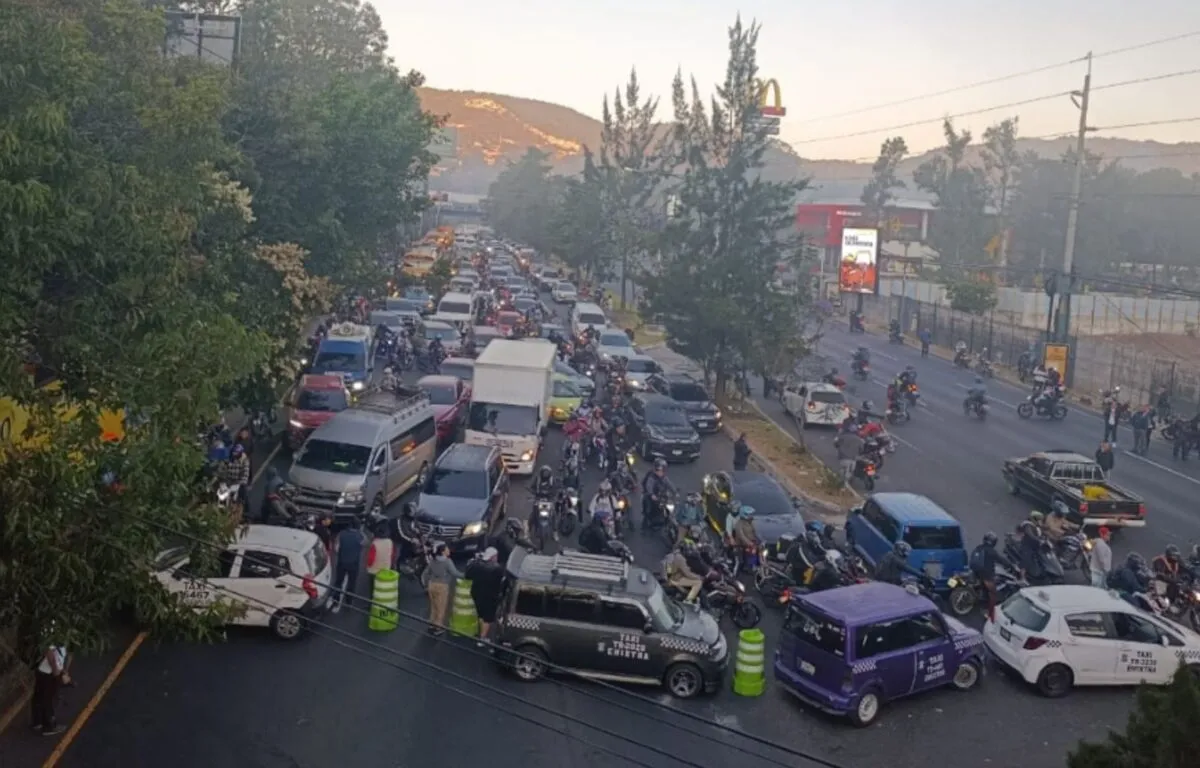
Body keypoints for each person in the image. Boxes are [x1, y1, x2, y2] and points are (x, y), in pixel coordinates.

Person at [968, 532, 1016, 619]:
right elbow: (1001, 560)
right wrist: (1012, 566)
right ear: (994, 542)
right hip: (986, 575)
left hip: (976, 572)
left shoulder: (979, 547)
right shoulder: (992, 551)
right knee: (993, 594)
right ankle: (989, 613)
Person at [464, 548, 506, 646]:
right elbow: (500, 585)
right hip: (490, 597)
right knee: (488, 618)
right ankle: (482, 639)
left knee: (480, 615)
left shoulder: (475, 565)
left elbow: (467, 576)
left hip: (476, 594)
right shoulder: (497, 569)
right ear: (493, 557)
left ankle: (480, 633)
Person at [31, 640, 69, 735]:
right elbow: (50, 653)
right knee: (48, 699)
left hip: (43, 670)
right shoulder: (54, 631)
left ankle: (37, 721)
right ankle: (49, 726)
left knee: (39, 696)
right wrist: (56, 672)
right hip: (49, 672)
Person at [425, 542, 462, 635]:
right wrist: (467, 575)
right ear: (442, 552)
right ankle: (438, 628)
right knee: (441, 607)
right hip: (442, 586)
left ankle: (431, 624)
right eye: (447, 549)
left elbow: (427, 573)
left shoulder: (433, 560)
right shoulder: (447, 562)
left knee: (434, 606)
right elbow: (455, 573)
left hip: (432, 584)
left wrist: (427, 584)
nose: (448, 550)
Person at [332, 522, 365, 613]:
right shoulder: (359, 536)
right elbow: (364, 543)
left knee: (338, 582)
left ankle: (336, 600)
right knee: (352, 583)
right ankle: (349, 601)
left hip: (342, 563)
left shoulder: (341, 534)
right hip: (354, 564)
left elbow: (336, 549)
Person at [217, 442, 251, 518]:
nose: (235, 454)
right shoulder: (227, 459)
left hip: (238, 482)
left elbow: (245, 472)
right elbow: (221, 468)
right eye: (234, 452)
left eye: (236, 453)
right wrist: (221, 477)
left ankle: (246, 513)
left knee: (243, 495)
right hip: (227, 481)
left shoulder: (244, 460)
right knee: (220, 494)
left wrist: (242, 482)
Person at [640, 458, 673, 530]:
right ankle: (646, 523)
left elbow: (669, 484)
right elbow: (649, 486)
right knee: (649, 509)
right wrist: (651, 494)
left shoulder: (664, 477)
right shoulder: (651, 477)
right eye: (659, 471)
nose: (660, 472)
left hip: (660, 494)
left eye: (662, 471)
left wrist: (674, 491)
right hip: (650, 495)